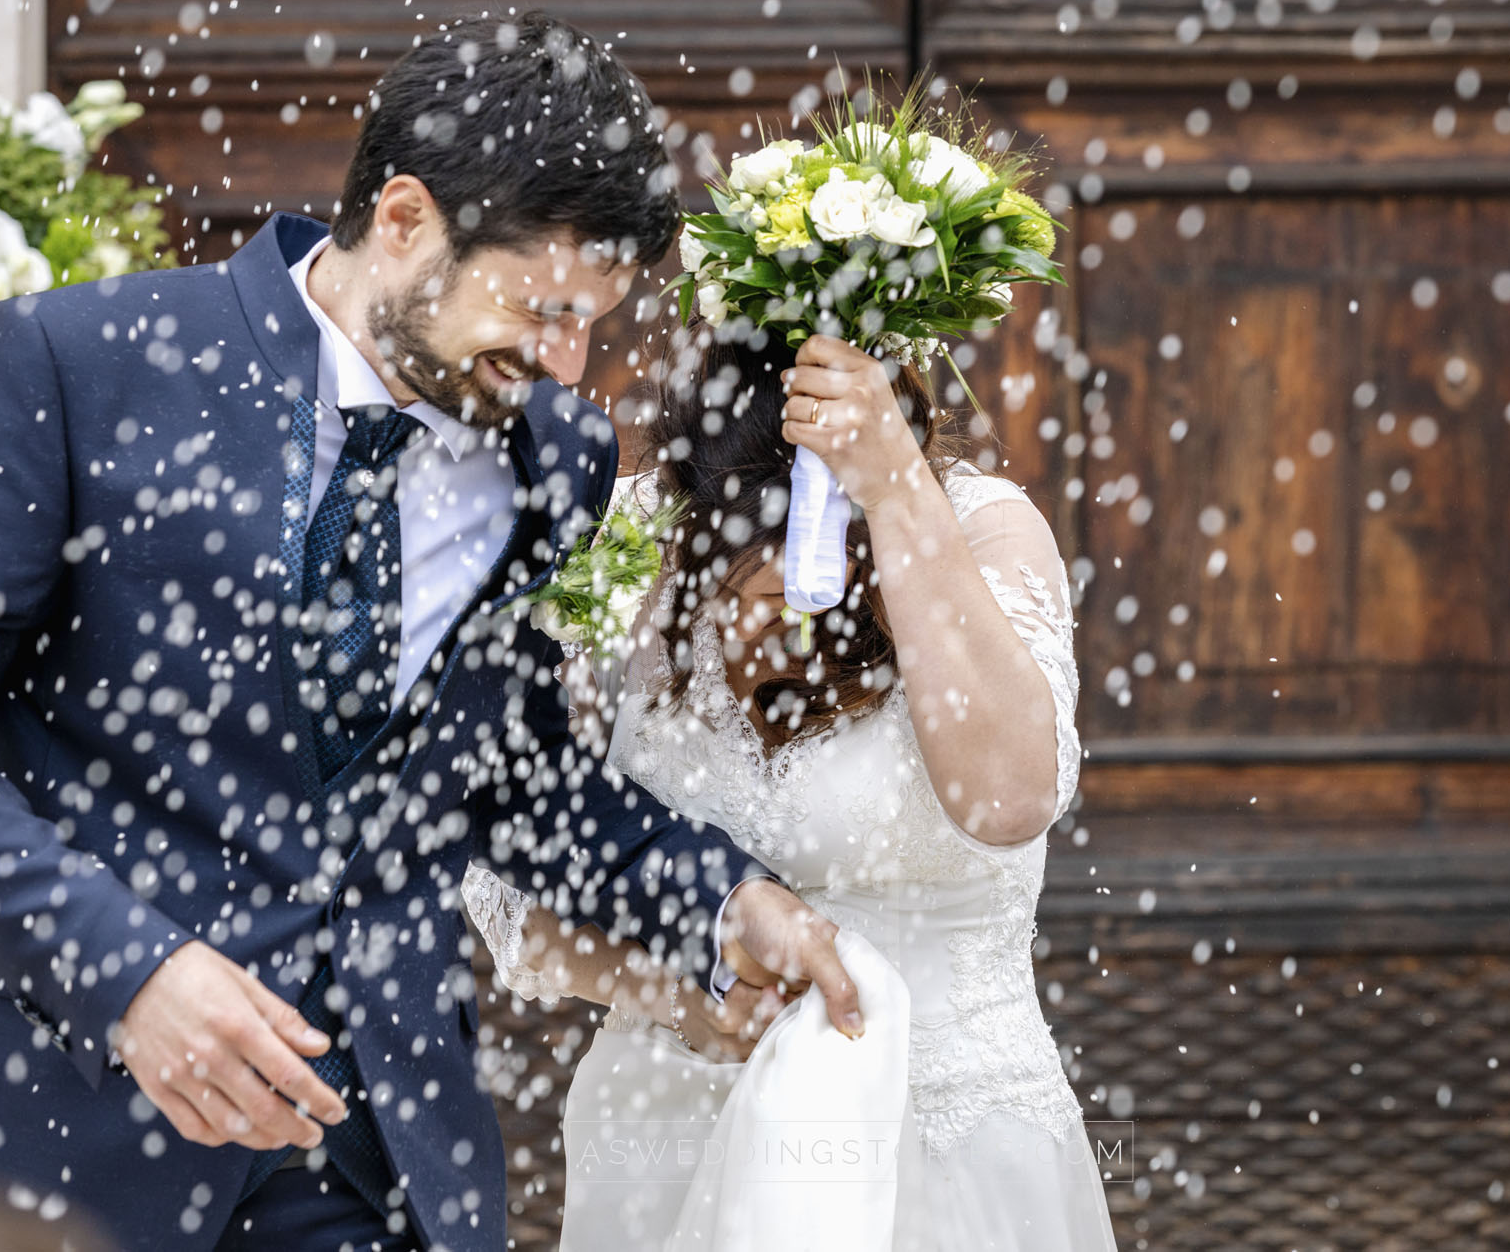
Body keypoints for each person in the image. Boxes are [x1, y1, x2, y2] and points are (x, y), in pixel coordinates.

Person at [0, 13, 860, 1252]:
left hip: (376, 1165)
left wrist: (716, 898)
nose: (563, 361)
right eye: (541, 307)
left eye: (591, 320)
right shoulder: (75, 363)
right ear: (402, 219)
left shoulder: (552, 459)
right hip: (62, 1152)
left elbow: (505, 777)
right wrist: (124, 970)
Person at [462, 321, 1118, 1249]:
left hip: (942, 1146)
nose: (790, 582)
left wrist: (894, 495)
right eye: (744, 550)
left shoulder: (981, 530)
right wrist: (685, 989)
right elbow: (506, 857)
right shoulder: (631, 542)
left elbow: (1008, 801)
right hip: (666, 1130)